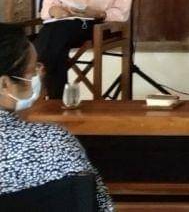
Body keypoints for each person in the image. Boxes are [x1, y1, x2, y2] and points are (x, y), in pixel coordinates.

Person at [0, 26, 113, 210]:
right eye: (32, 71)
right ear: (5, 84)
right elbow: (100, 205)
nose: (40, 74)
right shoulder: (52, 140)